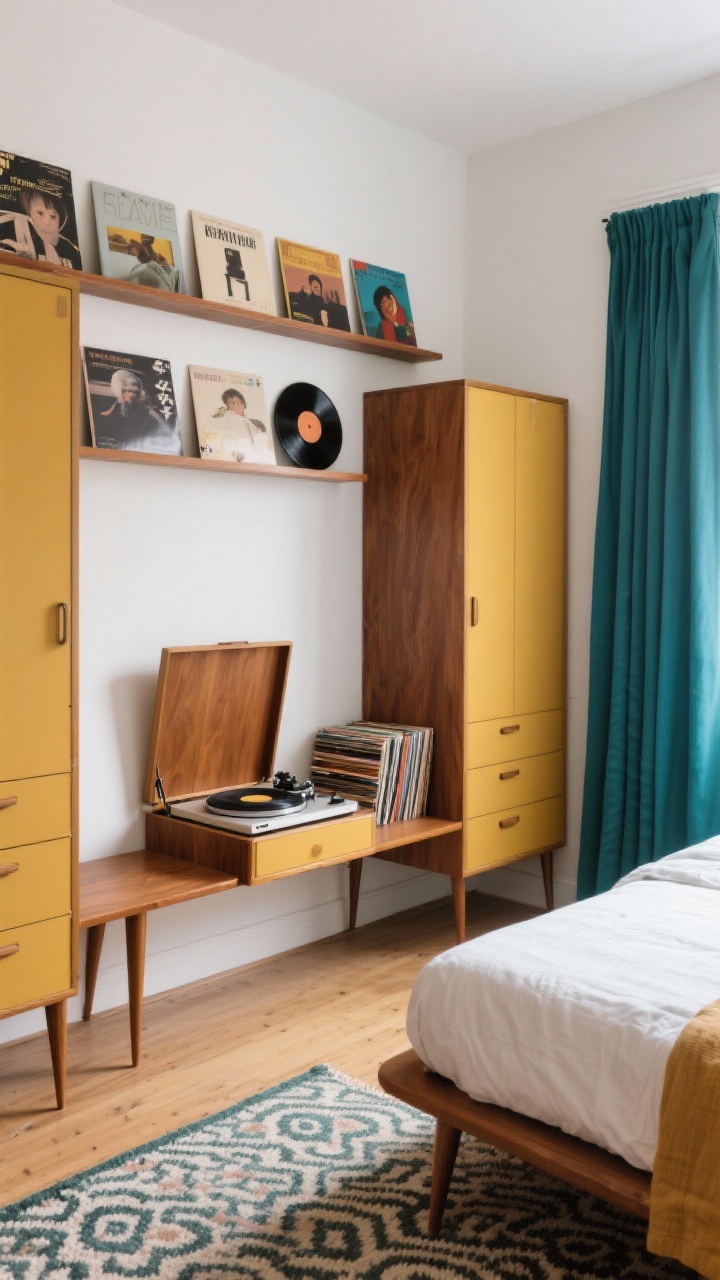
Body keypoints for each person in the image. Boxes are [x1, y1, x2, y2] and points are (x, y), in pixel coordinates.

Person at [96, 368, 181, 454]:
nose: (132, 395)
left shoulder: (150, 415)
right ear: (121, 392)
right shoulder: (109, 416)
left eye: (135, 392)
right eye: (129, 391)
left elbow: (167, 438)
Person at [0, 188, 82, 269]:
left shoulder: (70, 250)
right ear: (28, 213)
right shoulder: (16, 229)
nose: (46, 222)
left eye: (53, 216)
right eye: (40, 213)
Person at [200, 388, 273, 464]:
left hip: (219, 463)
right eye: (231, 403)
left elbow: (205, 451)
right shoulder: (216, 422)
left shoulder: (211, 423)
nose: (235, 406)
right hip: (230, 462)